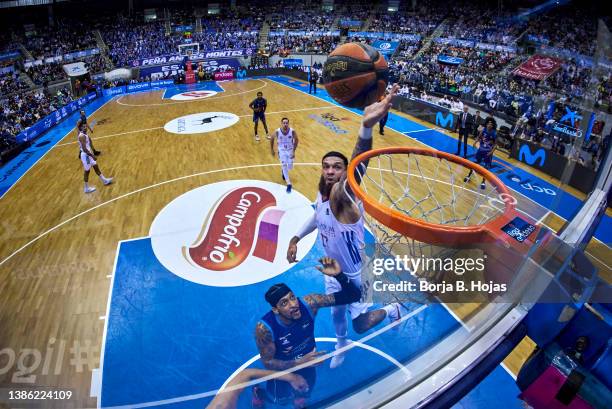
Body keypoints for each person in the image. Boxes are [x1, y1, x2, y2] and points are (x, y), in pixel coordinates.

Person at [286, 84, 405, 369]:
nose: (330, 171)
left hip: (355, 272)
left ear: (343, 171)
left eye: (336, 167)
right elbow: (317, 216)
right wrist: (295, 238)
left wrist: (365, 129)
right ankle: (342, 345)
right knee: (337, 314)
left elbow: (357, 171)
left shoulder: (344, 196)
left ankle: (393, 309)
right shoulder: (323, 191)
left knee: (361, 323)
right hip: (332, 267)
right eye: (326, 166)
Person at [253, 257, 361, 407]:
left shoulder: (310, 303)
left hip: (309, 361)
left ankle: (300, 398)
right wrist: (298, 363)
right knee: (279, 399)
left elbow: (355, 295)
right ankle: (259, 393)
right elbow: (268, 363)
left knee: (306, 391)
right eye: (284, 303)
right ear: (275, 310)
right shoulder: (264, 329)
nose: (293, 304)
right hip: (284, 370)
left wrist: (339, 276)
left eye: (292, 297)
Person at [206, 368, 307, 409]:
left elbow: (246, 374)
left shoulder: (223, 406)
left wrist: (291, 377)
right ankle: (258, 395)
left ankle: (257, 395)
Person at [78, 123, 113, 193]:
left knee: (96, 166)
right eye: (83, 127)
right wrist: (92, 155)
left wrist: (93, 151)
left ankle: (104, 180)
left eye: (85, 126)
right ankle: (86, 188)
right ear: (80, 128)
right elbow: (84, 149)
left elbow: (89, 145)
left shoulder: (85, 134)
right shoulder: (82, 136)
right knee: (87, 171)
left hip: (88, 154)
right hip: (86, 155)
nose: (85, 128)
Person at [464, 118, 497, 190]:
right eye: (488, 123)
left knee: (486, 167)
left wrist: (491, 152)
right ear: (487, 124)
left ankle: (483, 182)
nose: (489, 125)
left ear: (493, 125)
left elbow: (495, 145)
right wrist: (475, 142)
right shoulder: (483, 130)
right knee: (475, 163)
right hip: (481, 150)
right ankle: (468, 176)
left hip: (488, 152)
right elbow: (479, 137)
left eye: (491, 124)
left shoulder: (494, 133)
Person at [270, 117, 299, 193]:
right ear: (281, 123)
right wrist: (272, 149)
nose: (285, 124)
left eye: (286, 123)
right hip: (282, 151)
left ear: (288, 124)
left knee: (290, 166)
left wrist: (293, 151)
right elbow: (272, 139)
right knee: (284, 165)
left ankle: (283, 171)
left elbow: (297, 140)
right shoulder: (277, 131)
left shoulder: (292, 131)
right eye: (284, 123)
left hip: (290, 150)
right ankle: (289, 184)